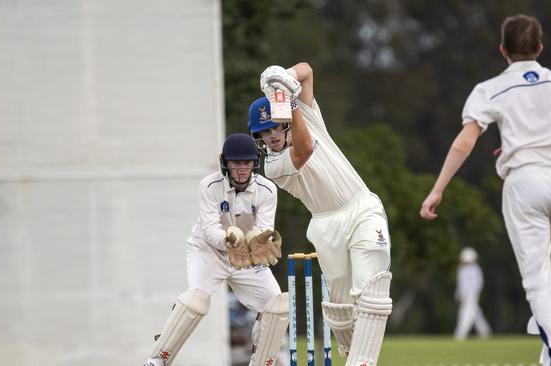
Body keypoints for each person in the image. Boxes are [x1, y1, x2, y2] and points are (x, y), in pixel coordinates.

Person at [420, 14, 551, 366]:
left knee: (535, 277)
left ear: (503, 50)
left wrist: (437, 189)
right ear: (540, 48)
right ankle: (550, 356)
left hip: (526, 183)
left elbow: (464, 143)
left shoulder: (490, 89)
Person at [248, 63, 392, 366]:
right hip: (326, 226)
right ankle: (353, 355)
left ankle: (362, 363)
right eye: (264, 132)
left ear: (283, 120)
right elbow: (304, 150)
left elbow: (308, 71)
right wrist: (287, 103)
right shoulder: (273, 167)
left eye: (274, 126)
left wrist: (282, 80)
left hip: (362, 208)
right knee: (340, 309)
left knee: (371, 290)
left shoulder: (307, 113)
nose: (272, 136)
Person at [144, 133, 289, 366]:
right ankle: (156, 360)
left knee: (278, 305)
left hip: (246, 259)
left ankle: (262, 362)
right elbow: (210, 229)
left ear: (255, 162)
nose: (242, 168)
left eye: (247, 162)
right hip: (208, 251)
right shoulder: (209, 185)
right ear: (226, 163)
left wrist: (257, 243)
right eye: (236, 163)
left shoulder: (267, 190)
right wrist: (230, 241)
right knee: (195, 301)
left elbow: (264, 229)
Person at [454, 247, 491, 340]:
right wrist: (459, 294)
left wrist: (470, 294)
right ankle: (485, 331)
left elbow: (478, 283)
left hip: (471, 296)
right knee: (475, 313)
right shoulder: (461, 269)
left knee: (466, 314)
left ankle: (460, 335)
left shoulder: (475, 269)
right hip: (464, 296)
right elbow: (460, 284)